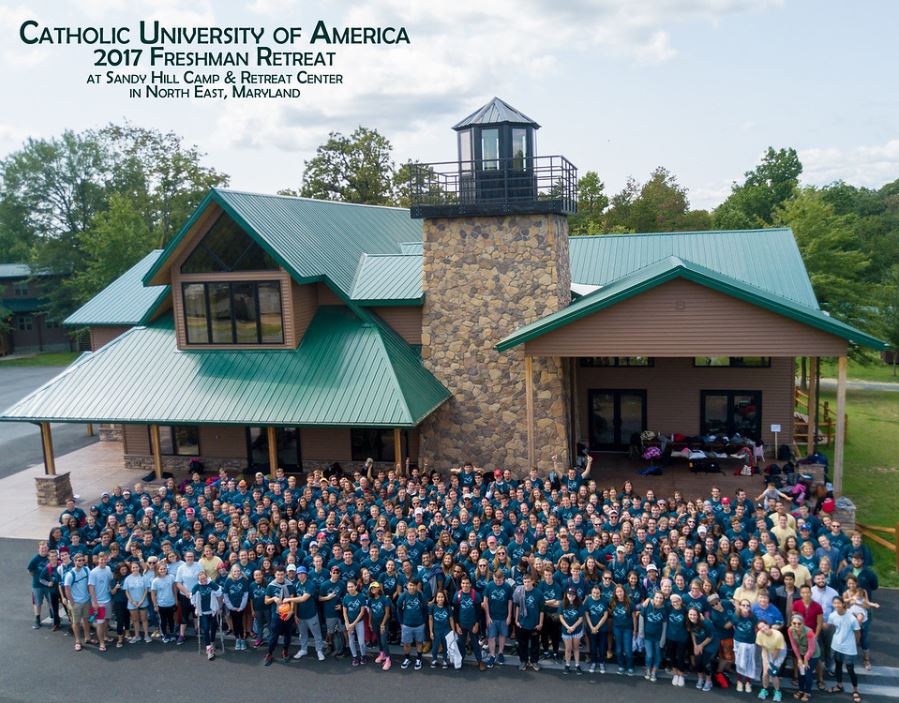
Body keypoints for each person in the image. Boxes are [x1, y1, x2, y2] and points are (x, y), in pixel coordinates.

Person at [827, 596, 861, 702]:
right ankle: (839, 685)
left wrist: (855, 642)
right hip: (836, 645)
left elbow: (857, 632)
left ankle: (855, 690)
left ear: (843, 604)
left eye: (838, 603)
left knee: (850, 668)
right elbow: (832, 626)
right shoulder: (832, 615)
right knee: (838, 665)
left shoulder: (851, 618)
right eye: (834, 603)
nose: (837, 605)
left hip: (849, 647)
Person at [264, 565, 299, 666]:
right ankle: (270, 653)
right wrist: (273, 599)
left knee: (288, 634)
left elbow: (292, 599)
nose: (280, 576)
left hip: (288, 614)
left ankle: (285, 651)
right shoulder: (271, 586)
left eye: (282, 574)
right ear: (275, 574)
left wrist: (291, 611)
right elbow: (266, 601)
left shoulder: (289, 585)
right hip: (276, 614)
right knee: (273, 635)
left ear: (285, 574)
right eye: (278, 574)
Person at [453, 574, 486, 671]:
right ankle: (460, 660)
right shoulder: (457, 595)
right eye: (463, 583)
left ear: (470, 584)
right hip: (462, 624)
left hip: (472, 624)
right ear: (461, 584)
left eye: (467, 583)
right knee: (461, 644)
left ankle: (480, 661)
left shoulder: (475, 595)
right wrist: (457, 626)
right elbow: (455, 612)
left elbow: (479, 612)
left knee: (475, 644)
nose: (465, 585)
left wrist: (476, 624)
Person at [293, 566, 326, 662]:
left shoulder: (310, 584)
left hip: (311, 615)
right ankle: (303, 649)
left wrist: (288, 599)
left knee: (317, 634)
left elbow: (303, 598)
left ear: (306, 574)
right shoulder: (296, 585)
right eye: (299, 573)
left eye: (302, 573)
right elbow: (296, 602)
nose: (300, 575)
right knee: (302, 634)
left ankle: (319, 651)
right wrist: (295, 614)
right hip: (300, 615)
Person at [513, 573, 544, 671]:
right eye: (525, 582)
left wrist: (540, 623)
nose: (526, 584)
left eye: (528, 582)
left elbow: (542, 610)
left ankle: (534, 661)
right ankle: (524, 661)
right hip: (522, 623)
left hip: (534, 624)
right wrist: (516, 620)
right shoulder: (519, 591)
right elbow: (517, 606)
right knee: (522, 644)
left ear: (532, 582)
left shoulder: (538, 593)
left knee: (535, 645)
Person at [484, 567, 513, 668]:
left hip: (503, 616)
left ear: (503, 578)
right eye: (496, 580)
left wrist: (509, 616)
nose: (498, 582)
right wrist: (487, 616)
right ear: (493, 577)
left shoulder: (507, 587)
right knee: (491, 637)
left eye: (500, 581)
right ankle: (492, 655)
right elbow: (485, 602)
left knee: (502, 635)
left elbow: (510, 602)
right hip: (492, 616)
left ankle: (500, 653)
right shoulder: (489, 586)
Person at [396, 579, 428, 670]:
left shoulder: (420, 595)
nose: (412, 587)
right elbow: (398, 609)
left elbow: (425, 608)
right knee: (406, 644)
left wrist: (423, 621)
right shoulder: (403, 596)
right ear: (407, 586)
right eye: (410, 585)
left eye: (414, 585)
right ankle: (407, 659)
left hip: (419, 624)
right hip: (406, 625)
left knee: (419, 642)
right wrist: (401, 622)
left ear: (417, 586)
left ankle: (419, 659)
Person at [787, 613, 819, 703]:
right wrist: (799, 659)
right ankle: (801, 690)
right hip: (801, 653)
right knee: (801, 673)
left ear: (803, 623)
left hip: (813, 654)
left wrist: (805, 659)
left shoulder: (809, 632)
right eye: (794, 623)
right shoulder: (790, 630)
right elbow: (794, 645)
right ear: (791, 623)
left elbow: (812, 648)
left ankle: (808, 692)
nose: (796, 625)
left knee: (807, 673)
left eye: (799, 623)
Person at [191, 570, 222, 661]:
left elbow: (219, 593)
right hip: (203, 612)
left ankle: (212, 642)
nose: (203, 581)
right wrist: (196, 607)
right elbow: (192, 598)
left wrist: (214, 588)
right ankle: (209, 650)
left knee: (213, 627)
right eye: (201, 579)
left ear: (206, 577)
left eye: (204, 578)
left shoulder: (211, 584)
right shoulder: (196, 586)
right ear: (198, 579)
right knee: (206, 628)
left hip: (212, 610)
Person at [63, 553, 91, 651]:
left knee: (86, 620)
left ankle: (88, 638)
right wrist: (72, 602)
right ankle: (78, 641)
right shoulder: (70, 574)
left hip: (86, 600)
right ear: (74, 561)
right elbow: (67, 589)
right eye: (79, 560)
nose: (81, 562)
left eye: (83, 560)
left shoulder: (87, 570)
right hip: (76, 603)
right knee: (76, 623)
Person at [688, 605, 719, 692]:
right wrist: (695, 645)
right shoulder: (690, 621)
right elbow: (693, 633)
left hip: (710, 643)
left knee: (706, 663)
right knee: (698, 662)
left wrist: (701, 646)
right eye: (690, 614)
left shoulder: (706, 623)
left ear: (698, 615)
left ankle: (709, 681)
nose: (692, 616)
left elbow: (710, 637)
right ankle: (700, 678)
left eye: (694, 615)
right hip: (699, 642)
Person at [174, 549, 202, 645]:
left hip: (196, 594)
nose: (190, 558)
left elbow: (202, 580)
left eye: (191, 556)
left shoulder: (199, 566)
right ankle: (181, 635)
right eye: (188, 556)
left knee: (196, 613)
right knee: (184, 615)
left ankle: (196, 629)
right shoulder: (181, 568)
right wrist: (186, 592)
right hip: (184, 595)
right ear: (185, 558)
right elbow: (178, 583)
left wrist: (194, 592)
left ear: (194, 557)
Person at [87, 552, 114, 653]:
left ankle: (105, 636)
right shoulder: (93, 572)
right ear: (98, 560)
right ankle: (101, 643)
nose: (103, 561)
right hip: (98, 602)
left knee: (106, 621)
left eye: (105, 559)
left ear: (107, 560)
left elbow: (111, 579)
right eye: (101, 559)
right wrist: (94, 602)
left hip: (108, 600)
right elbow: (91, 588)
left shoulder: (108, 569)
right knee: (100, 623)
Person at [756, 619, 787, 702]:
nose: (762, 628)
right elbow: (764, 649)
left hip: (780, 652)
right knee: (765, 672)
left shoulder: (778, 635)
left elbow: (777, 650)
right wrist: (766, 661)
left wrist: (771, 663)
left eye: (763, 626)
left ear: (767, 625)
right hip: (768, 651)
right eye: (760, 628)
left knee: (773, 673)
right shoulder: (760, 634)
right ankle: (764, 689)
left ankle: (777, 692)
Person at [222, 564, 249, 651]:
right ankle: (237, 639)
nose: (236, 573)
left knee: (240, 623)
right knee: (235, 623)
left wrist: (241, 606)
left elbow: (245, 594)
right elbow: (225, 594)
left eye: (238, 571)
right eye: (235, 571)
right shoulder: (228, 580)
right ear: (231, 572)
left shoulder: (244, 580)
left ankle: (242, 639)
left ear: (240, 571)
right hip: (232, 606)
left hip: (241, 606)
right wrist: (230, 606)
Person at [641, 590, 666, 682]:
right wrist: (641, 632)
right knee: (650, 655)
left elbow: (664, 623)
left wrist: (663, 638)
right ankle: (648, 669)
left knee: (658, 656)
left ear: (663, 599)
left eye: (661, 598)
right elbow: (641, 617)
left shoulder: (663, 609)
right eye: (657, 597)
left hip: (658, 637)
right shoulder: (647, 606)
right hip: (648, 636)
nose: (658, 599)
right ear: (653, 598)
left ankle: (654, 671)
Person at [342, 578, 368, 666]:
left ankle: (363, 655)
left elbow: (362, 612)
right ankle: (354, 657)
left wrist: (353, 624)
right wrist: (348, 624)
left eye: (352, 587)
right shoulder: (346, 597)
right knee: (351, 640)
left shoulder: (361, 596)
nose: (350, 588)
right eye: (348, 587)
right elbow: (344, 611)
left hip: (359, 622)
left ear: (356, 587)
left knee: (361, 642)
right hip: (349, 622)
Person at [124, 560, 151, 643]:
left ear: (139, 568)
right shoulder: (128, 579)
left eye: (136, 567)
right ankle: (137, 635)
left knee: (144, 619)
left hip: (143, 602)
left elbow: (146, 590)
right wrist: (132, 601)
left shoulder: (144, 577)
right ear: (131, 569)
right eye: (133, 567)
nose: (135, 569)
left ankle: (146, 635)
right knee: (135, 620)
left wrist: (142, 601)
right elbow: (126, 591)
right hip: (132, 603)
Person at [150, 561, 177, 643]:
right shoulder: (155, 581)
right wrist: (155, 605)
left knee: (171, 620)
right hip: (161, 604)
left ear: (167, 569)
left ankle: (172, 633)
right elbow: (153, 594)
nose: (163, 570)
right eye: (161, 569)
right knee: (163, 621)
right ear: (158, 570)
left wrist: (176, 600)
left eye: (164, 568)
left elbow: (174, 589)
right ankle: (164, 635)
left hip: (171, 603)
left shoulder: (171, 577)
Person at [368, 582, 393, 670]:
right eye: (372, 588)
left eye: (375, 587)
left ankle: (388, 659)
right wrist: (369, 622)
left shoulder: (384, 599)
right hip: (374, 622)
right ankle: (382, 654)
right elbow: (370, 611)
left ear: (379, 588)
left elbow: (387, 613)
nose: (373, 589)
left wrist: (382, 624)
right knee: (378, 639)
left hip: (384, 622)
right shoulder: (371, 599)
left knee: (383, 640)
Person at [27, 542, 51, 630]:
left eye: (45, 548)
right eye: (42, 549)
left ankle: (53, 616)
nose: (44, 550)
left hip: (49, 584)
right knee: (37, 603)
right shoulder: (35, 559)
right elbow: (30, 570)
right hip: (37, 585)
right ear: (38, 549)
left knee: (51, 601)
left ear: (47, 549)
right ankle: (37, 619)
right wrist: (37, 577)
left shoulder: (50, 557)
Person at [560, 587, 584, 675]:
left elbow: (581, 618)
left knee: (576, 648)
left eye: (573, 594)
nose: (571, 596)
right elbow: (561, 617)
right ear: (566, 594)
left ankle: (577, 665)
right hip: (566, 630)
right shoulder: (563, 603)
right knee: (568, 649)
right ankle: (567, 665)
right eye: (569, 594)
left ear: (575, 595)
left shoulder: (579, 604)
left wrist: (572, 627)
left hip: (576, 630)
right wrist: (568, 627)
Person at [429, 590, 454, 668]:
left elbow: (451, 619)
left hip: (446, 629)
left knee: (445, 646)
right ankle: (434, 659)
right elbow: (430, 619)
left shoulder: (447, 607)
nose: (440, 599)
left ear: (444, 598)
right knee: (435, 646)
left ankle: (445, 660)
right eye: (438, 597)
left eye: (442, 597)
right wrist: (431, 631)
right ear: (436, 598)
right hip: (436, 630)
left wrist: (453, 630)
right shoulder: (432, 606)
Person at [110, 562, 131, 648]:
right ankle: (120, 638)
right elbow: (112, 592)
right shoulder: (114, 579)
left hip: (128, 601)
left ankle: (127, 632)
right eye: (122, 570)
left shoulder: (129, 577)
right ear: (118, 570)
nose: (124, 571)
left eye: (125, 569)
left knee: (127, 617)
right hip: (118, 602)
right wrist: (116, 587)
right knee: (120, 620)